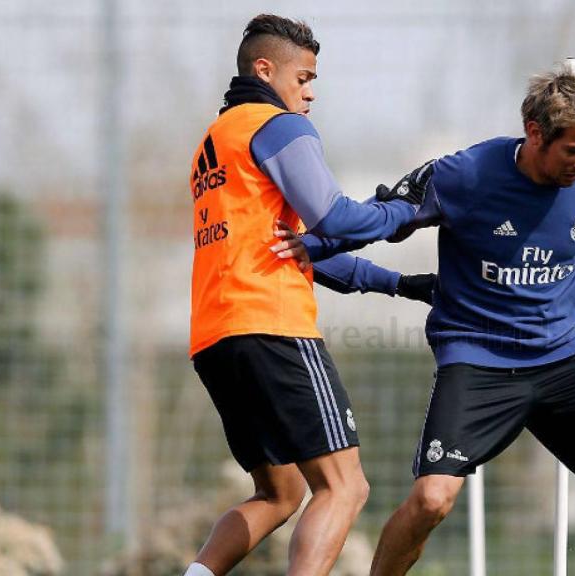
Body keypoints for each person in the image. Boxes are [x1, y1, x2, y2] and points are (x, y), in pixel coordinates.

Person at [368, 66, 575, 576]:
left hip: (560, 358)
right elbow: (381, 220)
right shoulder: (465, 175)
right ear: (535, 134)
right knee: (431, 501)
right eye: (574, 150)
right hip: (478, 361)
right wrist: (315, 244)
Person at [184, 14, 429, 576]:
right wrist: (406, 211)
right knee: (345, 486)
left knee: (279, 493)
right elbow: (333, 216)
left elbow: (298, 248)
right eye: (304, 78)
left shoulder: (217, 142)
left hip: (215, 338)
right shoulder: (279, 126)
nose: (310, 93)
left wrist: (403, 285)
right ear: (265, 69)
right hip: (273, 326)